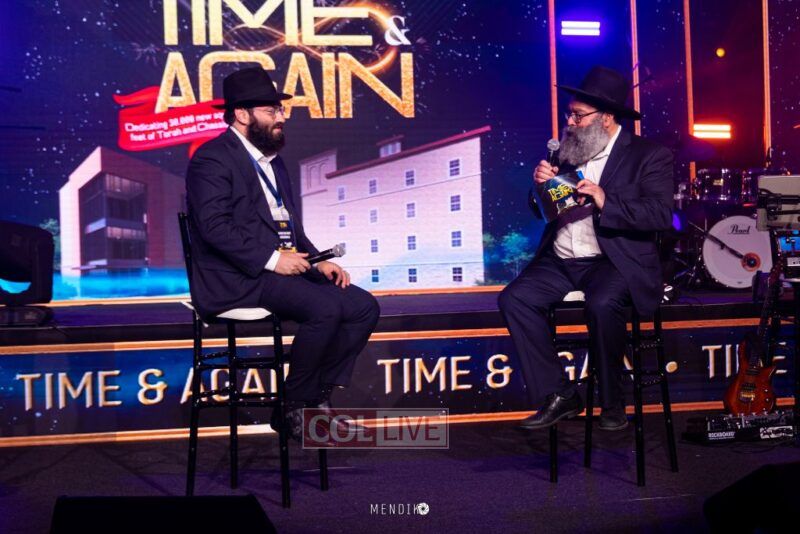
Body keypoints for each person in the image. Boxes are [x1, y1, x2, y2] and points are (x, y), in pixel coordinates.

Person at [186, 67, 380, 439]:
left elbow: (289, 226)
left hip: (277, 272)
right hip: (237, 278)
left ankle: (314, 398)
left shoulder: (273, 161)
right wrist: (274, 260)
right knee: (325, 308)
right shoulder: (212, 158)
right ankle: (295, 407)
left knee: (362, 306)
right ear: (242, 114)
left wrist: (317, 261)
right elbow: (214, 228)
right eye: (271, 110)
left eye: (280, 109)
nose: (282, 117)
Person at [498, 66, 674, 431]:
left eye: (578, 115)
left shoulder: (648, 155)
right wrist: (540, 189)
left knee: (602, 304)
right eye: (569, 114)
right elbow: (544, 211)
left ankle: (612, 400)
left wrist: (605, 200)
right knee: (515, 299)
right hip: (562, 259)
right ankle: (560, 394)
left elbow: (659, 214)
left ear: (606, 118)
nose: (570, 122)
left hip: (612, 260)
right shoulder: (567, 153)